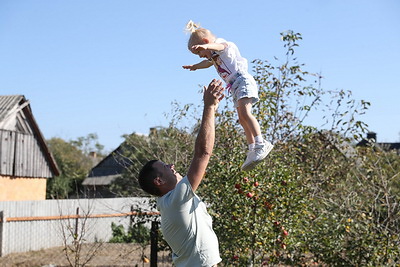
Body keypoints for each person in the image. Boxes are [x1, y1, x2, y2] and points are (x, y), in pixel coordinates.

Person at [138, 79, 224, 267]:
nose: (172, 165)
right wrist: (208, 107)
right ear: (158, 180)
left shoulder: (171, 202)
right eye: (165, 166)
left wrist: (212, 110)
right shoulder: (176, 200)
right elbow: (203, 153)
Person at [182, 20, 273, 171]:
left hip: (242, 80)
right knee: (241, 118)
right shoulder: (214, 56)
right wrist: (195, 67)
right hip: (234, 85)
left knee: (245, 112)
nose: (200, 56)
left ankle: (261, 143)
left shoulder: (223, 45)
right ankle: (252, 149)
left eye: (199, 53)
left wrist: (206, 47)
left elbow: (219, 46)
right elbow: (207, 63)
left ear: (206, 42)